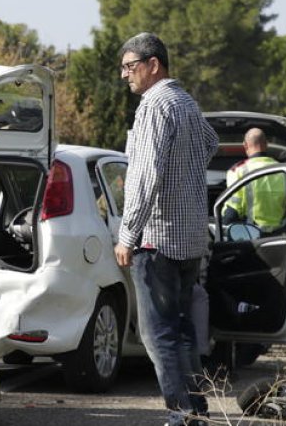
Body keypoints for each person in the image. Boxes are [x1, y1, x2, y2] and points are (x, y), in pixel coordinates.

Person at [113, 32, 217, 426]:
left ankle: (183, 414)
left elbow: (144, 176)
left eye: (130, 66)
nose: (125, 75)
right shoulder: (185, 101)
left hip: (156, 237)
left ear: (153, 64)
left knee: (158, 336)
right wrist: (184, 174)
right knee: (183, 329)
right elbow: (209, 143)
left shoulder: (154, 104)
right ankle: (197, 409)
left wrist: (127, 235)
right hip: (189, 236)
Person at [220, 128, 286, 235]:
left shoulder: (238, 171)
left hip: (250, 237)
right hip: (281, 238)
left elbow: (232, 211)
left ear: (245, 145)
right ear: (266, 144)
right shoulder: (285, 171)